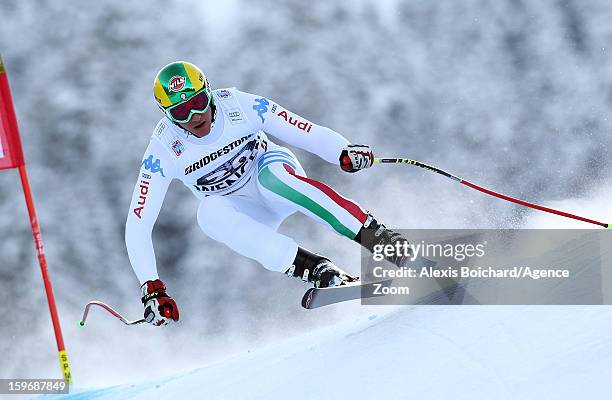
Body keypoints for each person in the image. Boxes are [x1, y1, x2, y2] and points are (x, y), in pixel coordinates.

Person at [126, 61, 408, 326]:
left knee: (272, 180)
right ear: (167, 115)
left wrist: (342, 152)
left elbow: (305, 131)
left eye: (198, 102)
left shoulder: (238, 105)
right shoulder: (163, 150)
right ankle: (319, 270)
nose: (195, 116)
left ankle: (386, 242)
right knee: (208, 214)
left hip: (272, 172)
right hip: (242, 208)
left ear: (208, 92)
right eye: (180, 112)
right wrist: (152, 288)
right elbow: (138, 224)